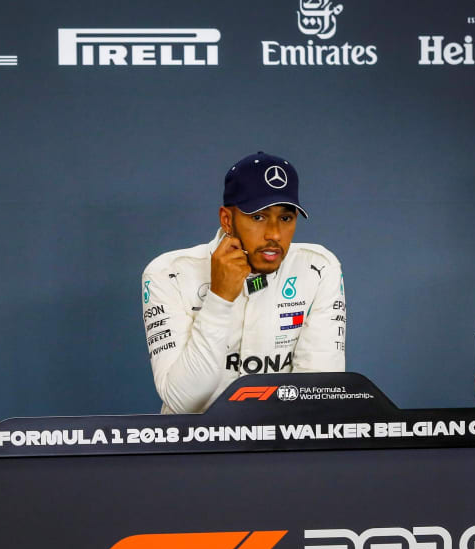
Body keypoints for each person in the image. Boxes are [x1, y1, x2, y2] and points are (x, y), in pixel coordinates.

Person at [142, 151, 346, 413]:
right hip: (195, 439)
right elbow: (183, 402)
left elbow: (319, 396)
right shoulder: (168, 274)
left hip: (283, 437)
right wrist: (219, 298)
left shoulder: (318, 268)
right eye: (258, 217)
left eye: (286, 218)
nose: (274, 234)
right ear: (227, 219)